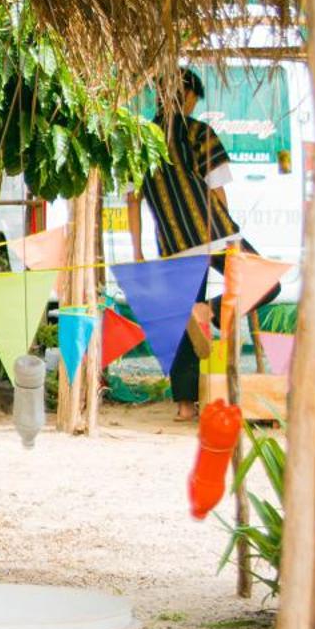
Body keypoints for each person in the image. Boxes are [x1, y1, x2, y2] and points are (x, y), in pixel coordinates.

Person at [126, 69, 260, 421]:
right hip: (214, 232)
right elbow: (217, 189)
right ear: (187, 97)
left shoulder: (138, 139)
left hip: (172, 241)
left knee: (182, 319)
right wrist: (228, 233)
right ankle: (211, 310)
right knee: (267, 282)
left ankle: (186, 406)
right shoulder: (200, 132)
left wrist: (137, 250)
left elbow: (132, 200)